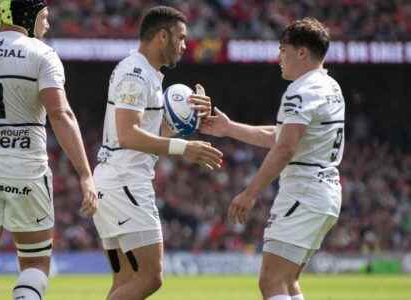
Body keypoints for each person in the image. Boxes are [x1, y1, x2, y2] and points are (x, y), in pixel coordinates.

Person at [0, 1, 98, 299]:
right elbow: (60, 114)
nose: (47, 25)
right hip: (25, 172)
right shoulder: (42, 54)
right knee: (35, 262)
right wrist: (85, 174)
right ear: (29, 16)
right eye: (45, 17)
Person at [200, 18, 344, 300]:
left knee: (271, 282)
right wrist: (229, 129)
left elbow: (284, 148)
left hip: (303, 192)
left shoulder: (300, 92)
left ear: (301, 52)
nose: (279, 57)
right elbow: (279, 137)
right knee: (288, 282)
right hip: (323, 191)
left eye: (283, 49)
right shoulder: (329, 86)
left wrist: (250, 192)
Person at [92, 6, 223, 300]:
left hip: (114, 185)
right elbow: (127, 134)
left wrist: (191, 119)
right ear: (162, 36)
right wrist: (184, 148)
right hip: (125, 184)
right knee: (151, 277)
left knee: (125, 280)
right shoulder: (135, 73)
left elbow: (150, 134)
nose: (185, 45)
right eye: (181, 38)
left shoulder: (147, 74)